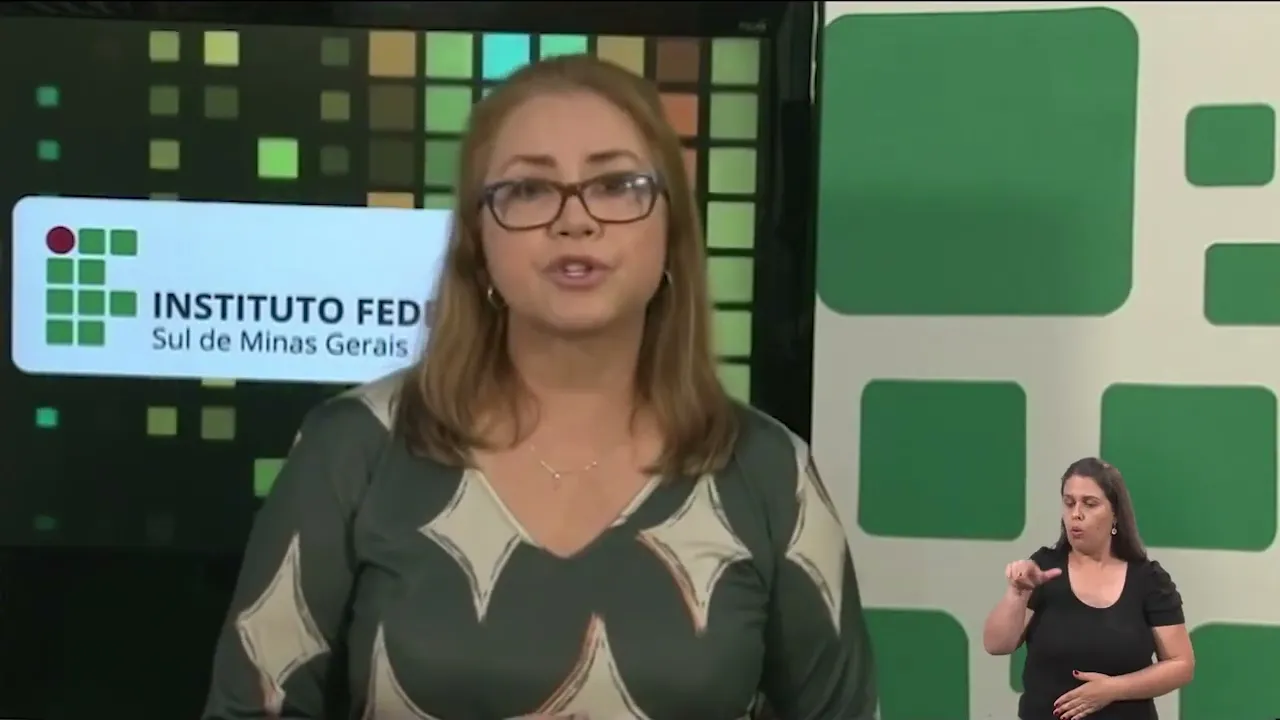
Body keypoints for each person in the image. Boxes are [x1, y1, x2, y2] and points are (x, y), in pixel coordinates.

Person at [201, 55, 877, 720]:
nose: (574, 219)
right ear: (478, 243)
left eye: (615, 184)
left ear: (671, 232)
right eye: (528, 189)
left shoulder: (769, 474)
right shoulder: (355, 448)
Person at [982, 458, 1195, 720]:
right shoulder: (1043, 569)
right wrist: (1016, 594)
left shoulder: (1149, 580)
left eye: (1090, 504)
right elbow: (996, 645)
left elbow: (1181, 664)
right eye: (1069, 502)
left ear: (1115, 513)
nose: (1076, 514)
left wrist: (1113, 689)